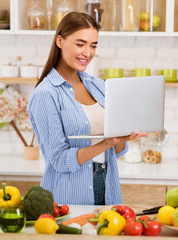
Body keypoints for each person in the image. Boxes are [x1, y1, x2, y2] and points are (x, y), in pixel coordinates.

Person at [27, 12, 147, 205]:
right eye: (80, 44)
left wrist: (121, 138)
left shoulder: (99, 86)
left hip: (107, 185)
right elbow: (58, 159)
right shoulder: (46, 94)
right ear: (60, 41)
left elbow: (115, 151)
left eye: (93, 45)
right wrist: (106, 143)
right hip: (68, 194)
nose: (88, 53)